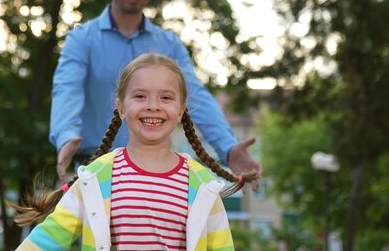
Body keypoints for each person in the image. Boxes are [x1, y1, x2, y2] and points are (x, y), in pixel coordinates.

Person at [50, 0, 261, 190]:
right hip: (94, 172)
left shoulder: (169, 45)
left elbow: (196, 96)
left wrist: (228, 147)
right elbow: (67, 89)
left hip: (156, 175)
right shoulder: (81, 40)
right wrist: (65, 136)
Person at [14, 53, 260, 250]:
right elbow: (47, 240)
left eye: (165, 97)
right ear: (121, 108)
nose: (153, 106)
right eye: (140, 96)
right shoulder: (95, 178)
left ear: (181, 110)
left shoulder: (203, 185)